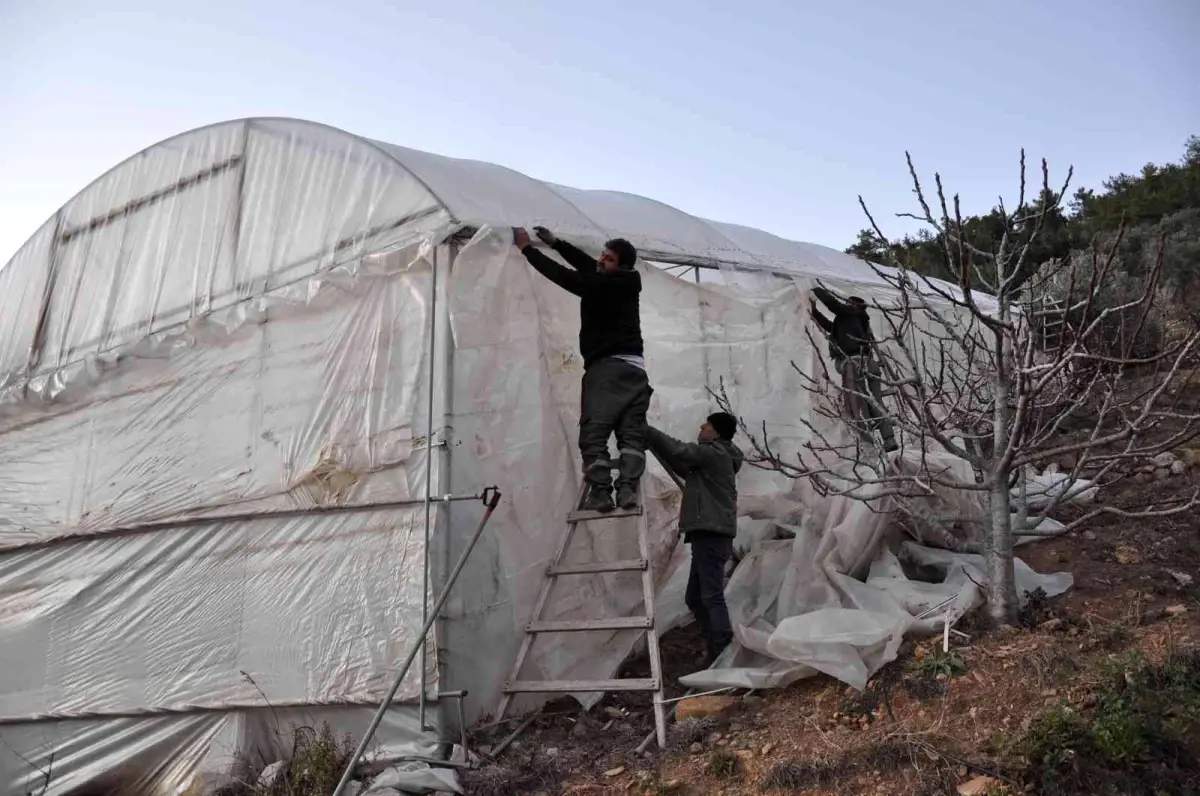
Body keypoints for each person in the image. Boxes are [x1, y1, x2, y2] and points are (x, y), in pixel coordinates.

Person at [513, 226, 651, 512]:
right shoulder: (624, 280)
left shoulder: (604, 286)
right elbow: (589, 266)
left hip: (608, 370)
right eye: (603, 254)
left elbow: (569, 278)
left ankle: (600, 493)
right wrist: (558, 243)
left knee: (593, 434)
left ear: (621, 265)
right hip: (635, 373)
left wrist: (528, 250)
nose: (601, 260)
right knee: (631, 435)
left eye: (608, 258)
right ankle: (627, 490)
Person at [646, 412, 743, 668]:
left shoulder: (715, 453)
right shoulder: (712, 460)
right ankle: (715, 648)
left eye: (707, 424)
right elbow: (682, 463)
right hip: (708, 533)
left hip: (712, 533)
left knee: (710, 595)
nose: (701, 426)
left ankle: (722, 651)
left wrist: (645, 430)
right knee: (695, 598)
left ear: (717, 432)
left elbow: (680, 450)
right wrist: (654, 443)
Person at [810, 285, 898, 452]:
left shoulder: (852, 313)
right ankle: (889, 439)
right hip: (869, 363)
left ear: (855, 305)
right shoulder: (856, 320)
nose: (846, 304)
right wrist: (814, 312)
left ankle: (868, 445)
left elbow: (833, 305)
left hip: (854, 363)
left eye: (849, 303)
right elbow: (830, 327)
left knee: (856, 405)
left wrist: (815, 289)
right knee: (875, 401)